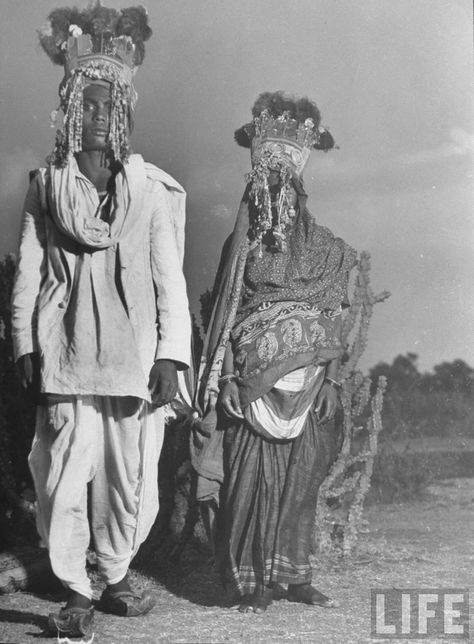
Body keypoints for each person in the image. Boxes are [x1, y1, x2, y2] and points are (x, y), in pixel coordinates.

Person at [11, 3, 191, 638]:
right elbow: (29, 274)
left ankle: (114, 576)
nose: (93, 116)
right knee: (62, 476)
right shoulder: (47, 185)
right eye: (82, 104)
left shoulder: (149, 191)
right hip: (63, 352)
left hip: (132, 357)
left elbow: (169, 279)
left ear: (123, 110)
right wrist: (24, 345)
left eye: (104, 104)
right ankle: (76, 591)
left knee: (128, 477)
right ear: (67, 110)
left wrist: (172, 354)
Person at [192, 91, 357, 613]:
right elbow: (224, 314)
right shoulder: (241, 245)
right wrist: (221, 381)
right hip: (252, 383)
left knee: (298, 482)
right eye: (269, 175)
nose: (278, 186)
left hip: (309, 387)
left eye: (288, 175)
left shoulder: (325, 247)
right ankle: (247, 582)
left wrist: (329, 379)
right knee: (249, 481)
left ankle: (294, 575)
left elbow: (336, 306)